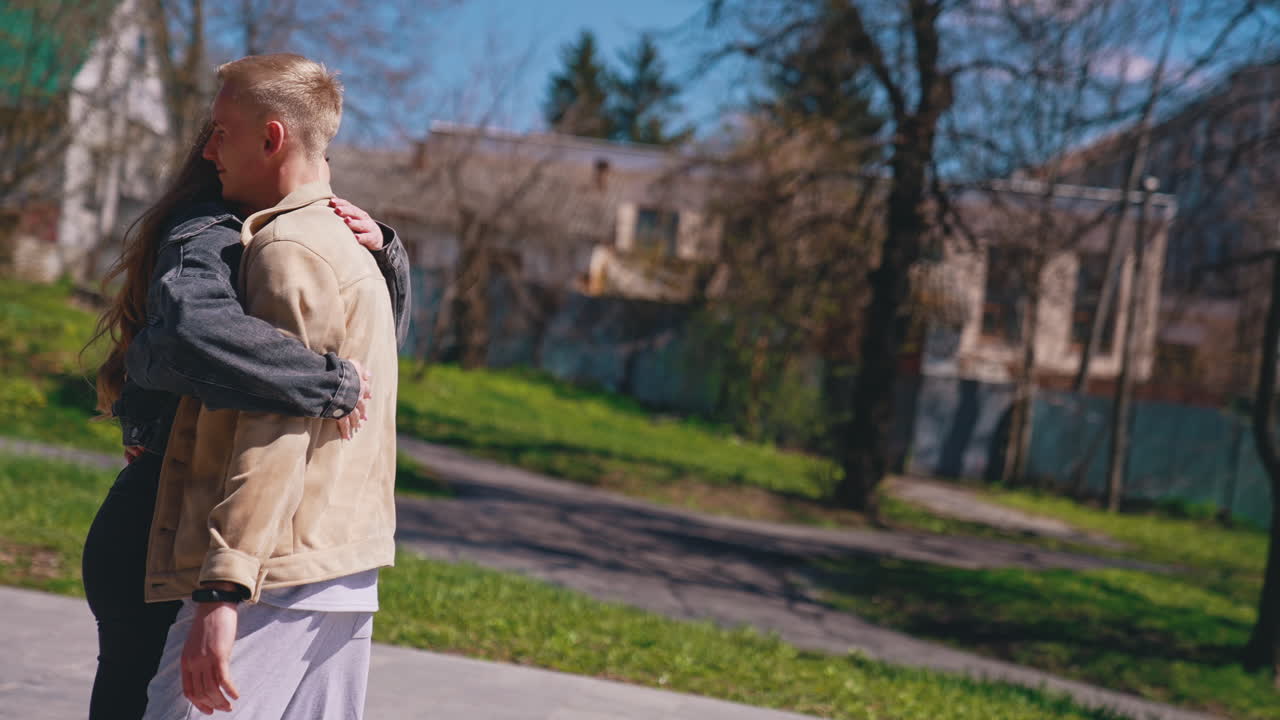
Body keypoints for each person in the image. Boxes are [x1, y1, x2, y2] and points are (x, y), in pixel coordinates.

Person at [85, 85, 408, 720]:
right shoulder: (213, 230)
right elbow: (186, 337)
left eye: (222, 133)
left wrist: (387, 253)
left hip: (205, 526)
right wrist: (326, 384)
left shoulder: (306, 235)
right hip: (162, 520)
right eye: (213, 137)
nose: (213, 147)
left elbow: (371, 343)